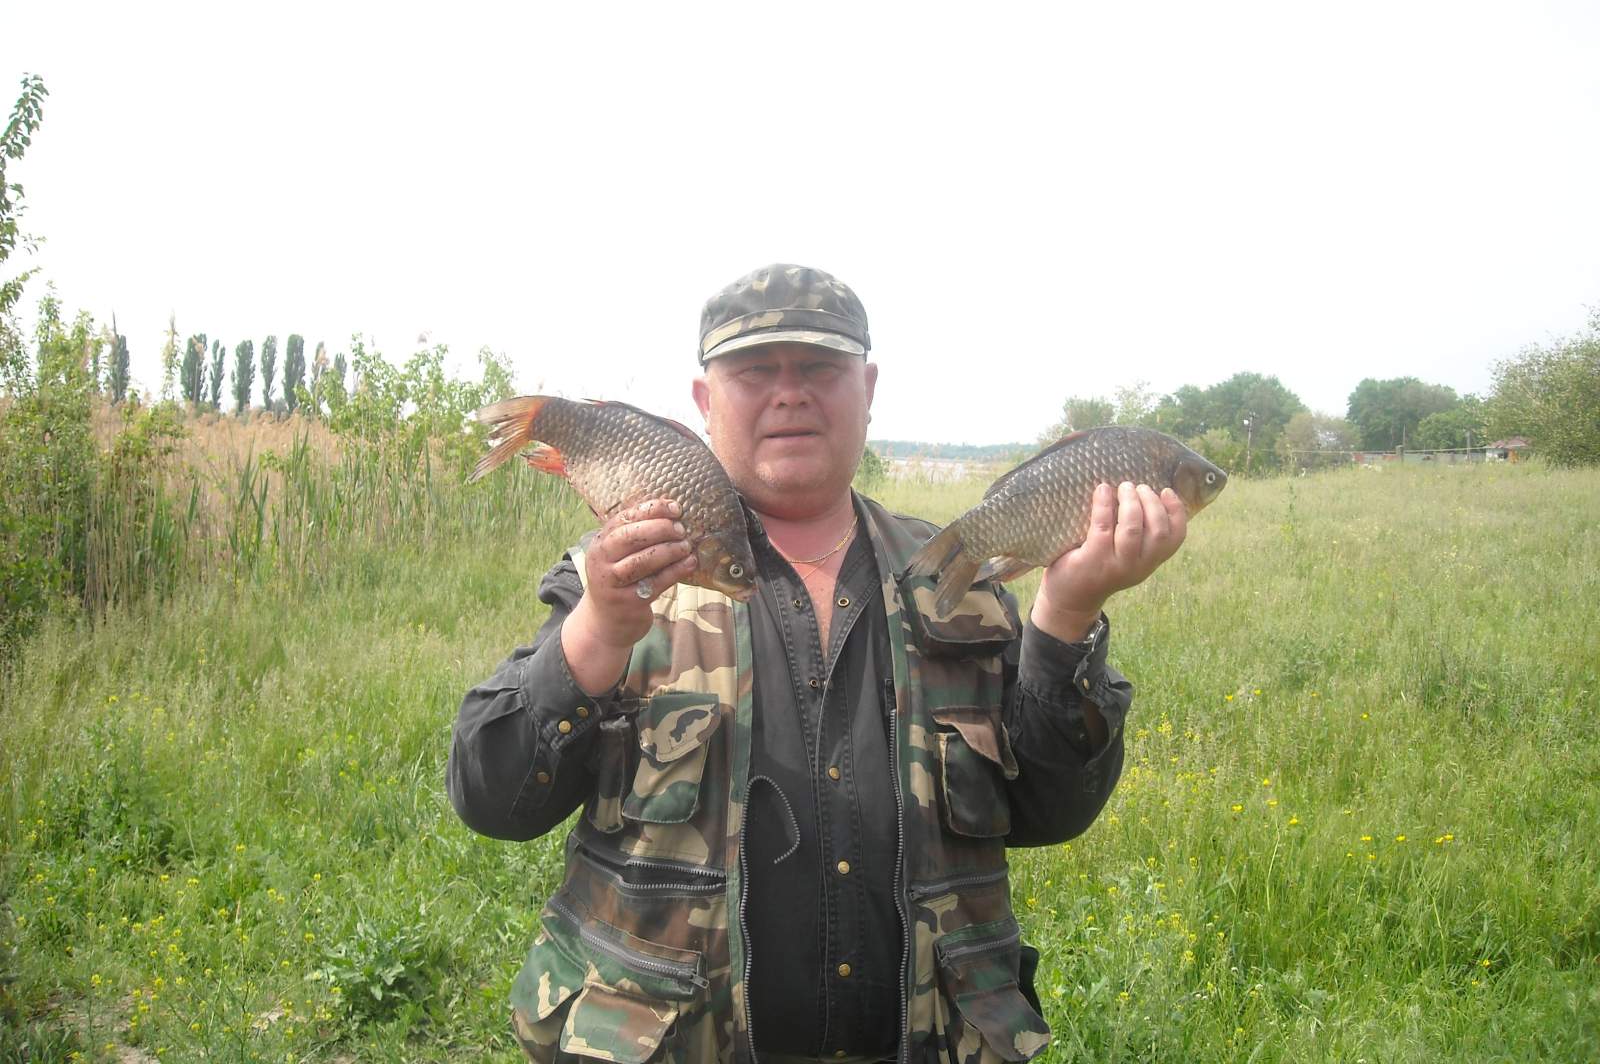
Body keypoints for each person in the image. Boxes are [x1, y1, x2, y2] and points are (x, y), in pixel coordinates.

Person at [447, 266, 1190, 1064]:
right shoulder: (624, 574)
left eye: (820, 368)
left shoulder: (955, 576)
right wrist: (596, 632)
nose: (790, 394)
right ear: (704, 402)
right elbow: (491, 798)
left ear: (867, 390)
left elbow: (1052, 811)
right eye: (754, 371)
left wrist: (1066, 616)